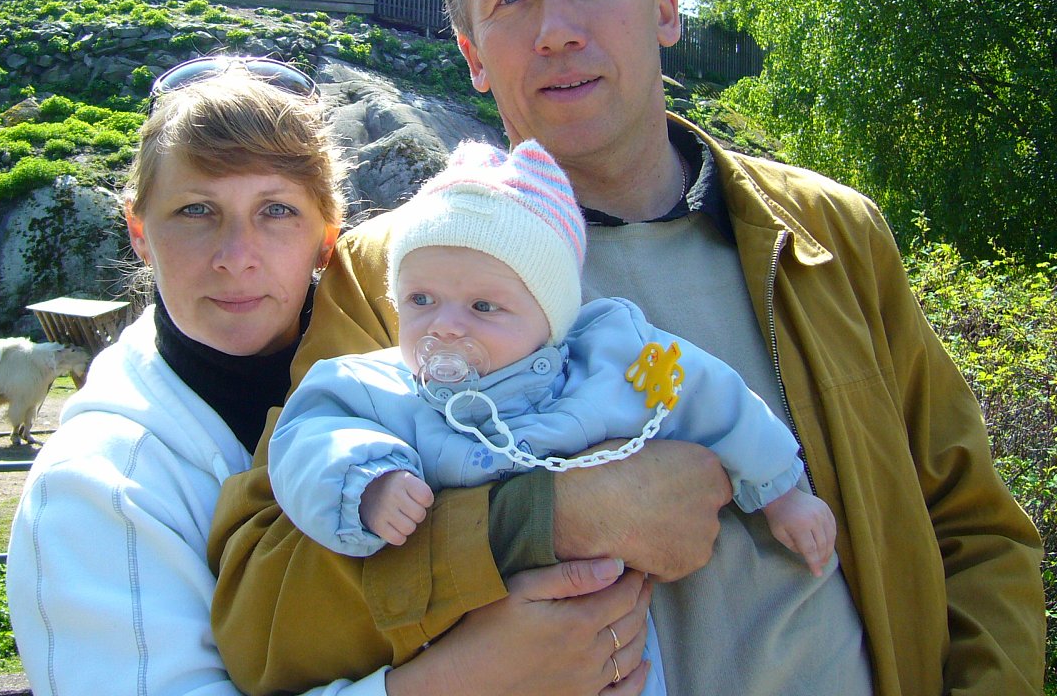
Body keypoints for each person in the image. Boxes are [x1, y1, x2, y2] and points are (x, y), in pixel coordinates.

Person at [209, 0, 1046, 696]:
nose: (557, 29)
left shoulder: (830, 236)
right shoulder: (392, 277)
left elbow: (974, 532)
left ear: (666, 8)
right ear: (473, 55)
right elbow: (267, 614)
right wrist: (549, 518)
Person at [5, 53, 650, 696]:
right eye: (196, 210)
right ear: (139, 232)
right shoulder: (96, 485)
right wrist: (465, 680)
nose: (236, 256)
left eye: (276, 211)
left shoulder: (430, 366)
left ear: (327, 236)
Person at [270, 138, 837, 696]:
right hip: (470, 648)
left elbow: (710, 393)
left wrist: (779, 491)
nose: (444, 326)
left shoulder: (610, 361)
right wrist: (368, 483)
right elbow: (311, 434)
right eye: (421, 300)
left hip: (612, 635)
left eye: (484, 306)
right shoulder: (384, 388)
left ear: (550, 319)